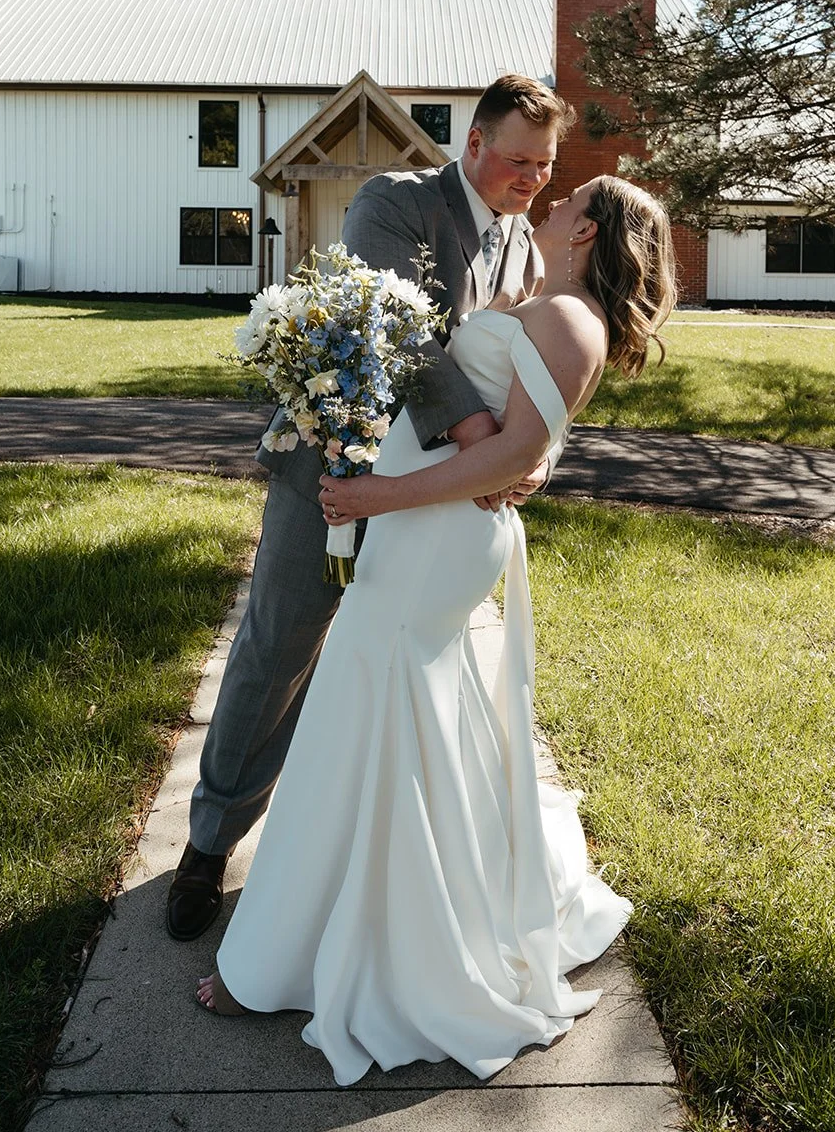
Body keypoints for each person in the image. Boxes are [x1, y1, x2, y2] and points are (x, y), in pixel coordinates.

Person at [195, 174, 678, 1085]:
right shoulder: (548, 301)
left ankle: (288, 960)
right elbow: (498, 429)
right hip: (426, 530)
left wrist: (379, 494)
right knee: (388, 719)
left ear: (589, 228)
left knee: (357, 711)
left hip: (433, 537)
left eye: (570, 197)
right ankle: (368, 921)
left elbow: (517, 451)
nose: (551, 198)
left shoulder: (570, 318)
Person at [167, 75, 576, 941]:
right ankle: (207, 845)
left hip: (430, 504)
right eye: (517, 160)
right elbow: (407, 342)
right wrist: (482, 446)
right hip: (333, 468)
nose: (532, 178)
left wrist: (524, 459)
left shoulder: (524, 247)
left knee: (384, 664)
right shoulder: (393, 203)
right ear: (472, 144)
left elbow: (526, 376)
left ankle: (339, 859)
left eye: (545, 165)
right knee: (278, 648)